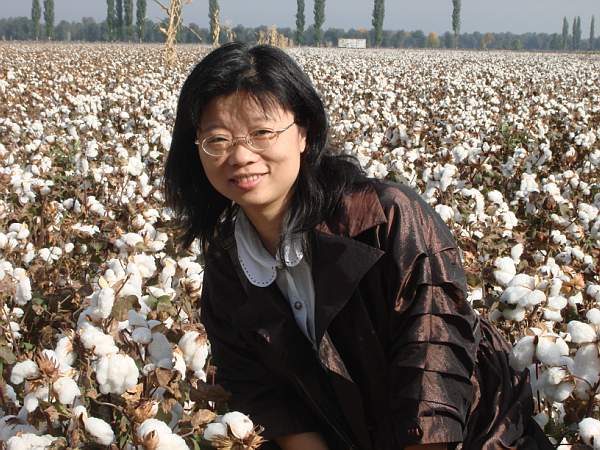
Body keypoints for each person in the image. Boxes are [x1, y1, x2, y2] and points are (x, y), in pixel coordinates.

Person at [164, 42, 553, 450]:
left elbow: (432, 369)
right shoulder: (228, 269)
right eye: (218, 139)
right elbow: (266, 398)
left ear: (303, 132)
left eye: (262, 133)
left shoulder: (387, 221)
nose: (241, 156)